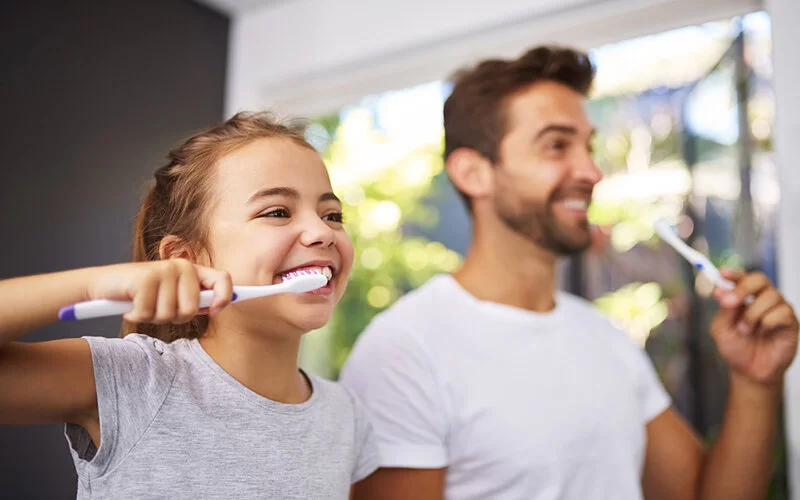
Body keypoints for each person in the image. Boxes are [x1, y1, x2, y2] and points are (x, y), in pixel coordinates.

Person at [340, 46, 799, 499]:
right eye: (557, 145)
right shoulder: (404, 352)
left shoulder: (603, 338)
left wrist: (755, 384)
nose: (591, 171)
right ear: (473, 173)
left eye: (588, 147)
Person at [0, 112, 378, 499]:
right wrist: (91, 284)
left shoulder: (345, 417)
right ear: (187, 258)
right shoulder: (129, 380)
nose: (321, 232)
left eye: (332, 215)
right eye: (277, 212)